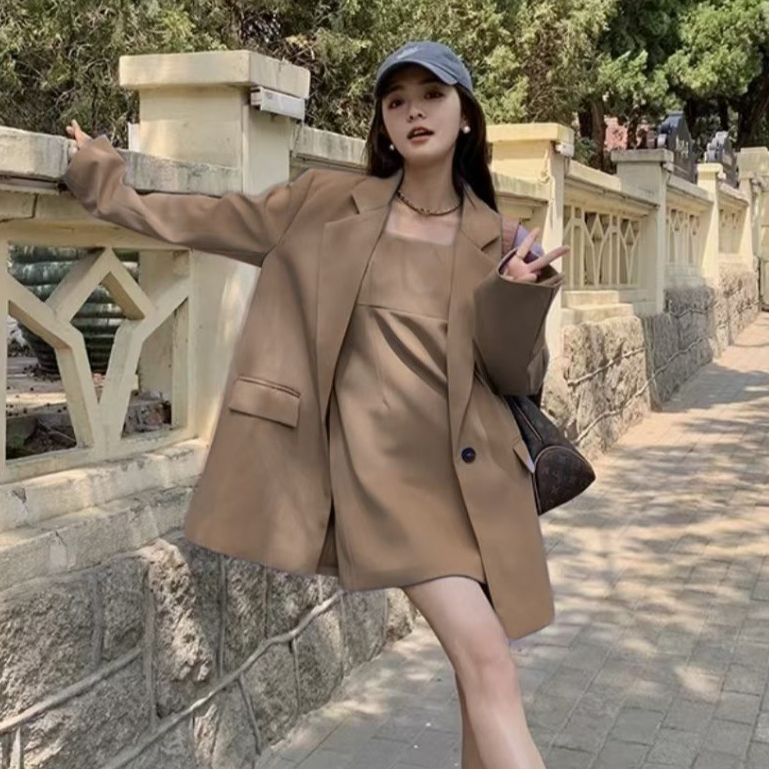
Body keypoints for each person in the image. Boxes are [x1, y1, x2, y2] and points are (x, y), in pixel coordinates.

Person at [64, 40, 567, 769]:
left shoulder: (499, 238)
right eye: (396, 100)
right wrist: (102, 180)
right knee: (488, 661)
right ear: (382, 123)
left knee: (479, 675)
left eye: (432, 95)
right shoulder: (325, 205)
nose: (414, 111)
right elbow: (202, 217)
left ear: (465, 116)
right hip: (385, 479)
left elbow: (517, 374)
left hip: (474, 479)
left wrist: (518, 295)